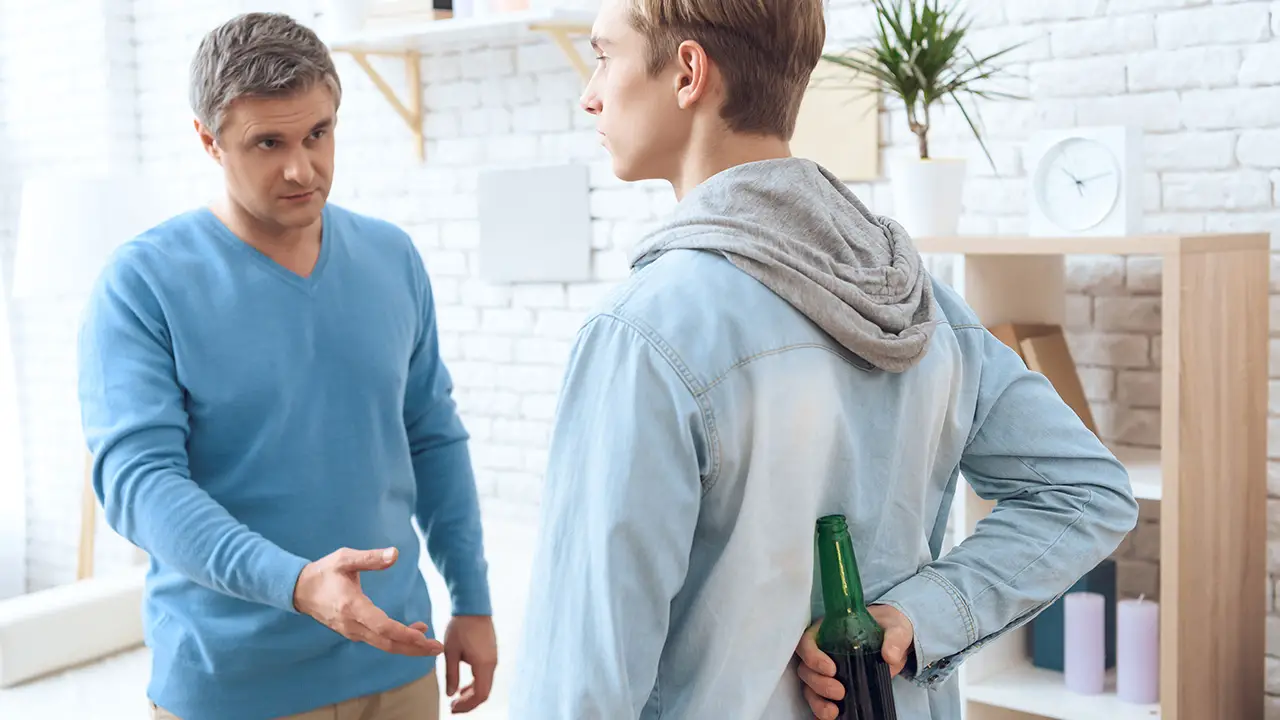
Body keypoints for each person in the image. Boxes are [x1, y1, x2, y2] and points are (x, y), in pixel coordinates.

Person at [507, 0, 1139, 718]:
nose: (589, 93)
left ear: (688, 72)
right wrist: (919, 615)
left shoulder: (644, 332)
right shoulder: (920, 301)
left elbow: (581, 686)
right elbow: (1087, 492)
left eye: (602, 54)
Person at [77, 13, 496, 720]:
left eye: (318, 134)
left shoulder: (392, 258)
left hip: (398, 658)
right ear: (208, 140)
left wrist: (473, 601)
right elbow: (139, 484)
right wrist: (299, 584)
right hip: (234, 686)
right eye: (267, 142)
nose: (302, 168)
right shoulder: (143, 283)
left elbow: (431, 437)